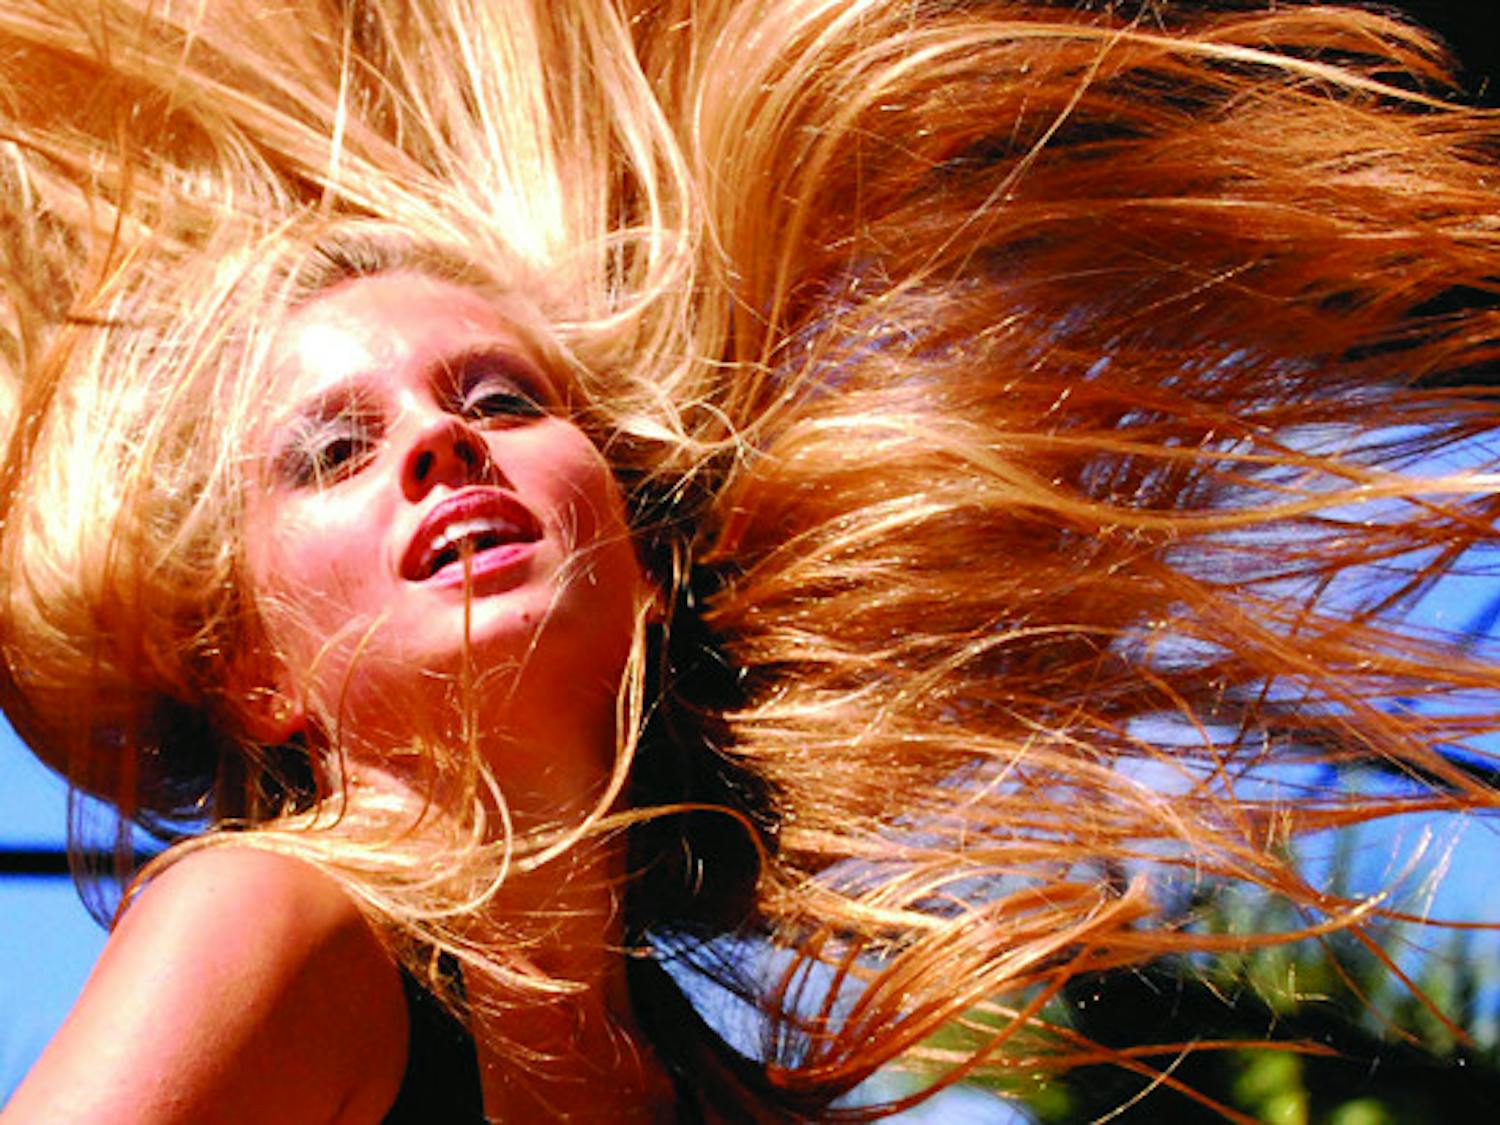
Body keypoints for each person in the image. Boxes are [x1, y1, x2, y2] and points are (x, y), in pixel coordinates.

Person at [2, 0, 1498, 1119]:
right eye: (334, 448)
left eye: (500, 399)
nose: (438, 446)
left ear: (641, 557)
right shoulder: (276, 924)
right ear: (256, 674)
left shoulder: (711, 1085)